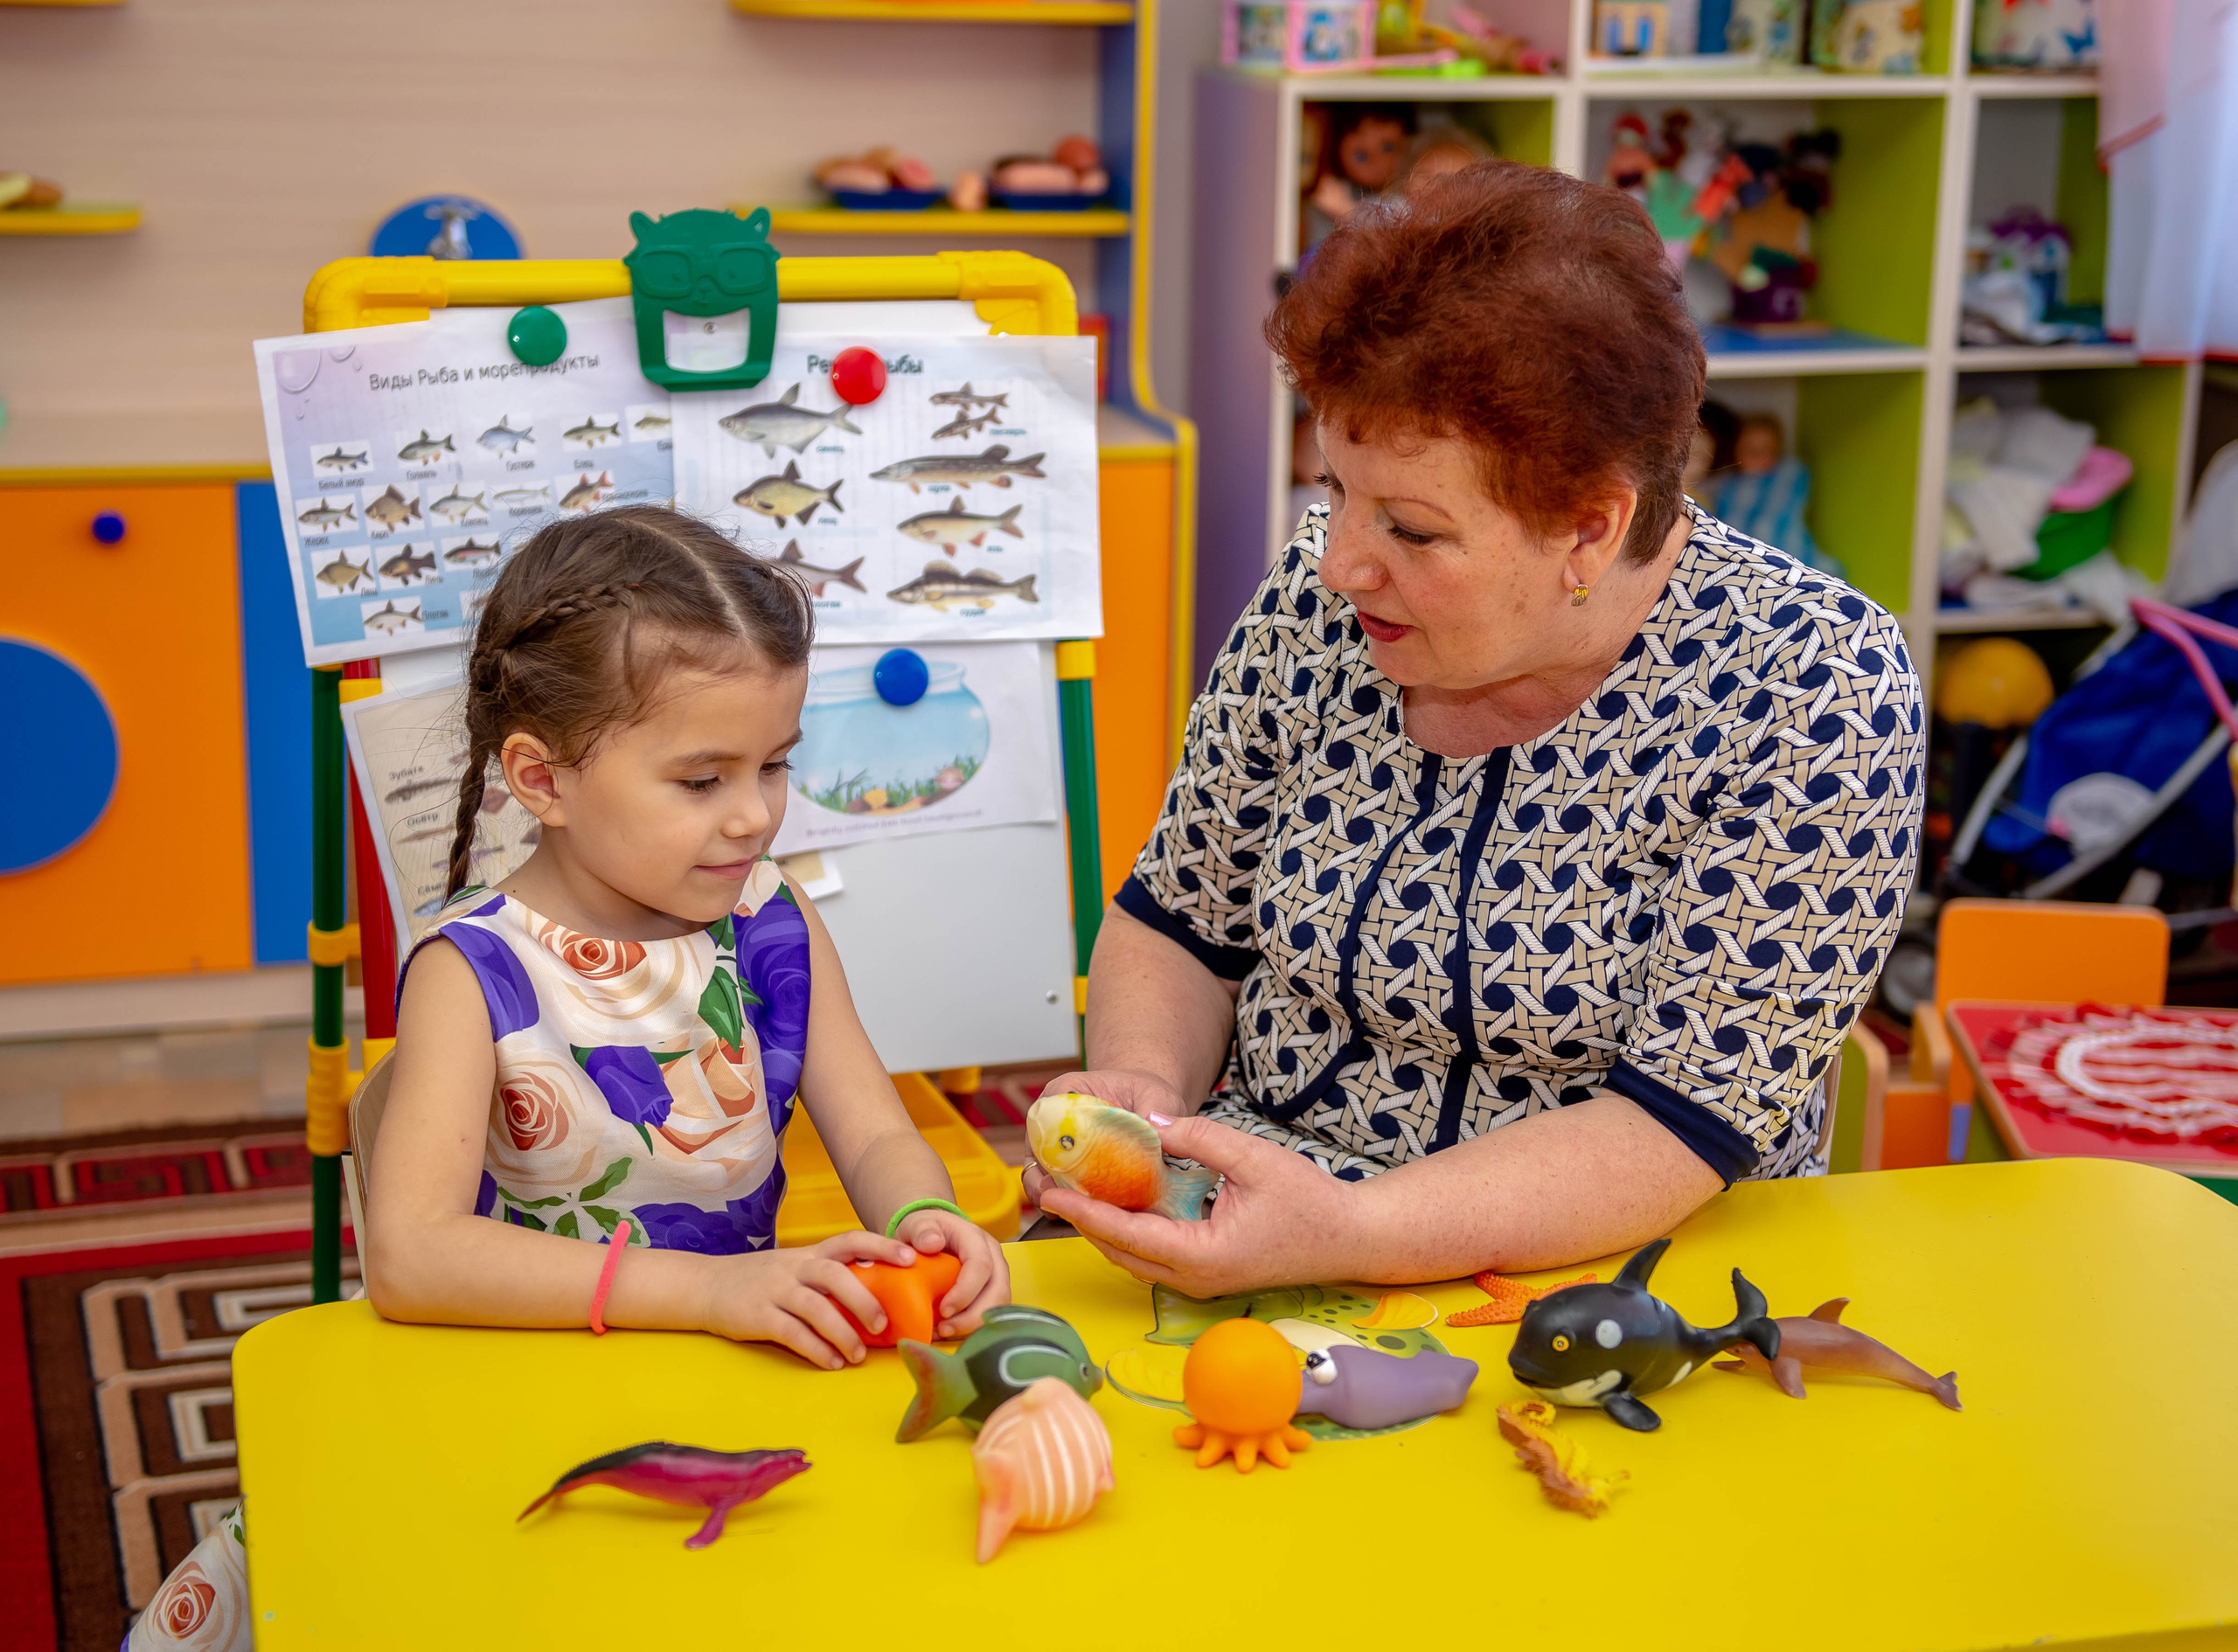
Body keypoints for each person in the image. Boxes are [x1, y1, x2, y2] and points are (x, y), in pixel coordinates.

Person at [1029, 161, 1923, 1299]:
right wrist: (1141, 1098)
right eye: (1334, 490)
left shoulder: (1811, 687)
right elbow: (1182, 920)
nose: (1342, 560)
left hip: (1613, 1283)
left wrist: (1354, 1231)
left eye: (1410, 526)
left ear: (1589, 528)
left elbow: (1674, 1126)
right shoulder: (1318, 607)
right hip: (1256, 1220)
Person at [130, 508, 1008, 1651]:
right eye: (702, 778)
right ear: (542, 778)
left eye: (775, 764)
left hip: (712, 1379)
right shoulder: (472, 969)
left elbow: (878, 1134)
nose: (755, 813)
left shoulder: (770, 922)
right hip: (500, 1385)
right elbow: (412, 1255)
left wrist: (927, 1217)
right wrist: (710, 1294)